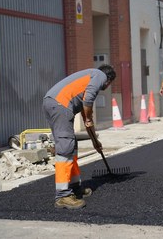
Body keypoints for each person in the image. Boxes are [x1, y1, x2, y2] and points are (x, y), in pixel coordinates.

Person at [43, 64, 116, 209]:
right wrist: (88, 118)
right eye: (109, 84)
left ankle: (75, 187)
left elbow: (87, 118)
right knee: (65, 147)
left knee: (72, 147)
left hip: (54, 103)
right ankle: (63, 195)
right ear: (108, 81)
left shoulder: (88, 79)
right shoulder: (100, 76)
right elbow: (88, 102)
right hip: (59, 104)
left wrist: (95, 141)